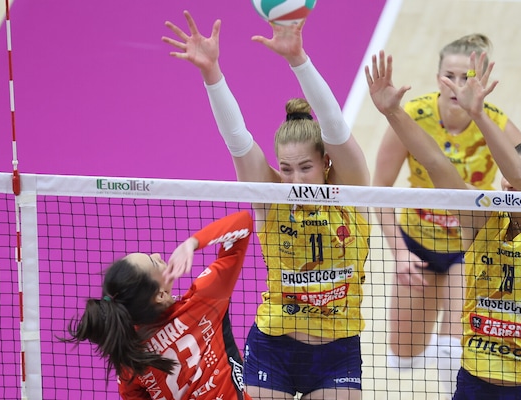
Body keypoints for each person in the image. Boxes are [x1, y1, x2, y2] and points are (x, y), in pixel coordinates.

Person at [163, 11, 371, 400]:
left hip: (337, 352)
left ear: (326, 163)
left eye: (306, 167)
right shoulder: (271, 197)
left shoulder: (352, 193)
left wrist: (298, 59)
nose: (295, 180)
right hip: (274, 346)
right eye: (286, 169)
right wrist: (212, 73)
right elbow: (237, 138)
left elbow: (335, 126)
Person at [366, 50, 521, 399]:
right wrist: (393, 112)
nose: (507, 182)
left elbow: (517, 173)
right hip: (476, 382)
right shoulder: (483, 217)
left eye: (520, 177)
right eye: (505, 175)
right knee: (403, 356)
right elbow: (435, 162)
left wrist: (477, 114)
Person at [371, 34, 521, 396]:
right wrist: (400, 253)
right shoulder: (413, 116)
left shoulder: (495, 123)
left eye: (465, 77)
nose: (457, 85)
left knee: (451, 350)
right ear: (437, 76)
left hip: (469, 247)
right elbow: (380, 188)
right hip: (417, 242)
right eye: (449, 76)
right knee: (402, 357)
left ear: (480, 81)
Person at [62, 210, 254, 400]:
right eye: (154, 262)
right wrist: (192, 243)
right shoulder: (203, 301)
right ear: (160, 295)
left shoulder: (130, 356)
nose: (157, 254)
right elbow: (243, 222)